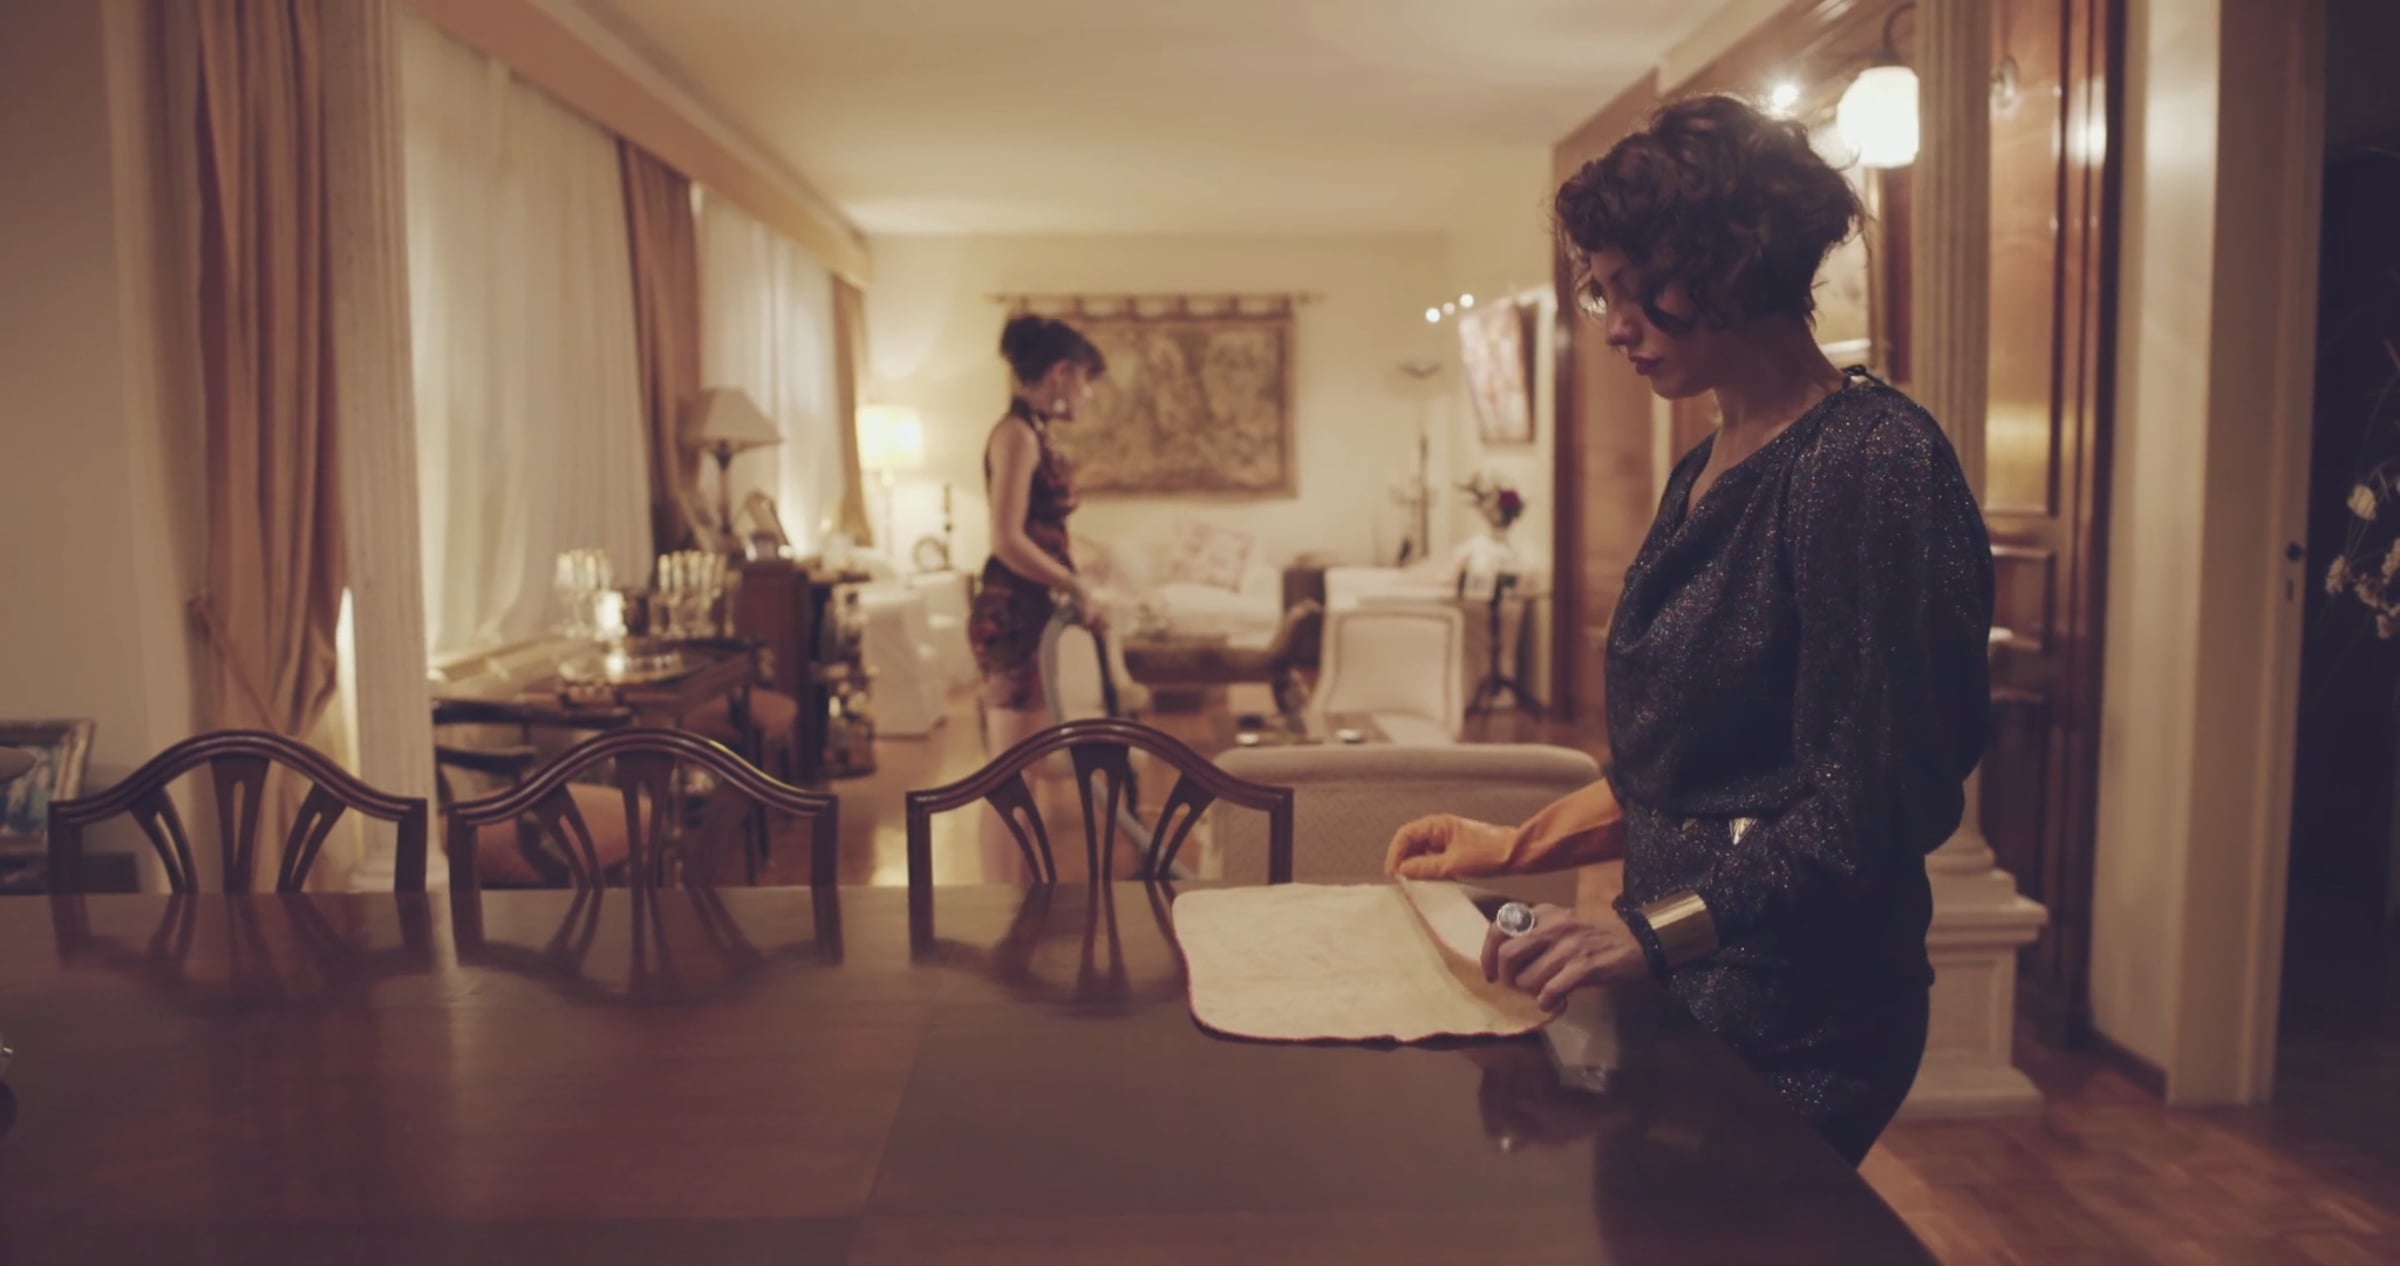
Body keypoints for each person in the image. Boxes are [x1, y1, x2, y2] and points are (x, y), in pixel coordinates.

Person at [1386, 94, 1994, 1166]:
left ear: (1730, 263)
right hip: (1687, 983)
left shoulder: (1869, 461)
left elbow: (1875, 803)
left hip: (1801, 1010)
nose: (1615, 326)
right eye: (1604, 292)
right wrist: (1520, 847)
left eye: (1635, 290)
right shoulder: (1707, 462)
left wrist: (1651, 932)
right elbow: (1688, 772)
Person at [968, 314, 1109, 879]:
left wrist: (1079, 581)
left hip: (1033, 612)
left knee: (1028, 771)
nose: (1089, 394)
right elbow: (1006, 539)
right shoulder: (1016, 436)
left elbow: (1042, 533)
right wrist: (1071, 582)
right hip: (1011, 616)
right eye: (1086, 380)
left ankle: (1020, 900)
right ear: (1061, 373)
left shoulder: (1034, 432)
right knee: (1009, 777)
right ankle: (995, 906)